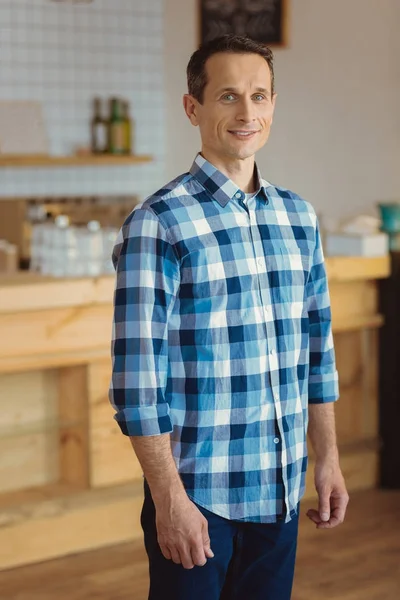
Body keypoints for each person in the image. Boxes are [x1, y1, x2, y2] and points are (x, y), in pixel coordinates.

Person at [109, 34, 349, 600]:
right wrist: (170, 501)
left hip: (281, 490)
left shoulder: (299, 217)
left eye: (260, 96)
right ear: (193, 107)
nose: (247, 113)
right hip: (199, 499)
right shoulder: (158, 223)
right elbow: (138, 386)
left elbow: (317, 352)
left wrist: (329, 459)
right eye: (227, 97)